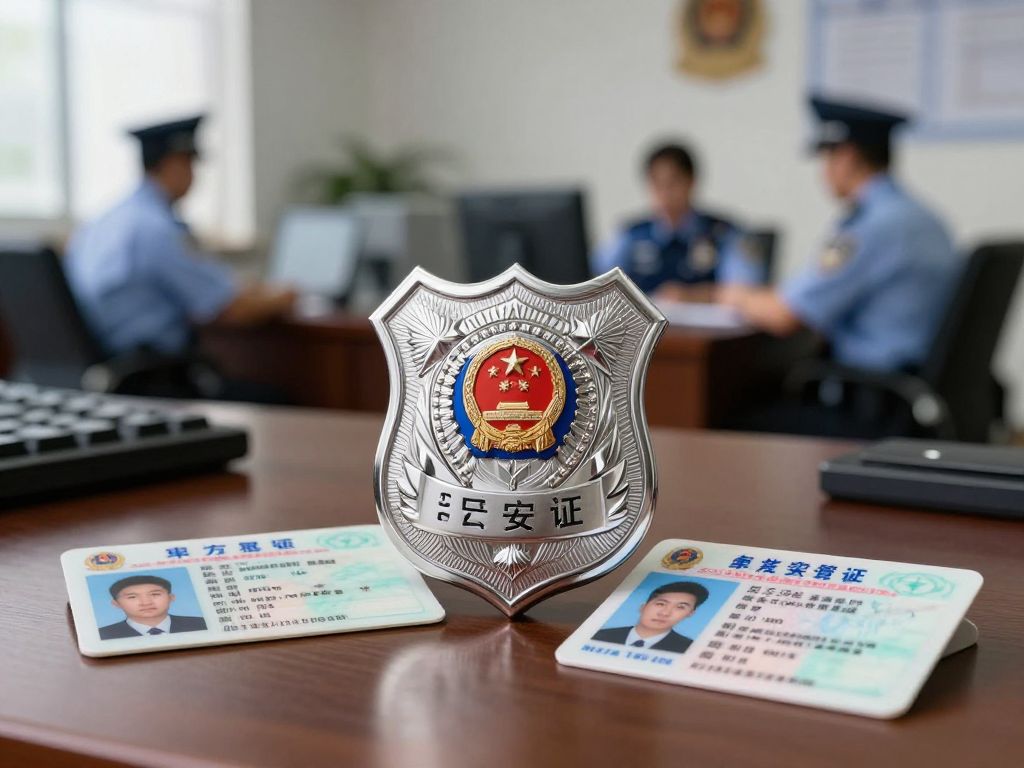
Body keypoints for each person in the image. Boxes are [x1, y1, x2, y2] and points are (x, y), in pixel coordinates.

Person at [718, 96, 960, 373]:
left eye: (827, 158)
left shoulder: (870, 227)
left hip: (869, 392)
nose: (825, 171)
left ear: (847, 157)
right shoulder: (923, 217)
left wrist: (733, 295)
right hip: (912, 381)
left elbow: (784, 316)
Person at [65, 114, 296, 397]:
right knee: (280, 398)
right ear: (173, 164)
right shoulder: (154, 229)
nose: (194, 176)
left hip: (106, 375)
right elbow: (228, 308)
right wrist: (285, 296)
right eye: (190, 164)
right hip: (153, 382)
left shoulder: (102, 222)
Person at [594, 142, 765, 300]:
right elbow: (594, 281)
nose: (665, 194)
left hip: (704, 330)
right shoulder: (632, 234)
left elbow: (745, 291)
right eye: (657, 184)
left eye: (672, 183)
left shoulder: (723, 233)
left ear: (691, 181)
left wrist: (693, 296)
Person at [591, 581, 709, 653]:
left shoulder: (689, 648)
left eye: (680, 607)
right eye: (660, 604)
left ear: (690, 614)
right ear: (643, 606)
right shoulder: (600, 635)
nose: (665, 613)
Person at [99, 574, 207, 640]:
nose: (146, 603)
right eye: (132, 597)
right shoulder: (103, 635)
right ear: (116, 604)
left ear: (171, 597)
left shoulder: (201, 624)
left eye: (155, 594)